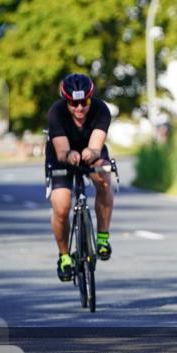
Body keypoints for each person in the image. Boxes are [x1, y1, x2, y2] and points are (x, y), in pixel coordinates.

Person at [46, 73, 114, 282]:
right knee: (62, 206)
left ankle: (102, 238)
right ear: (66, 101)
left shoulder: (101, 110)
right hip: (62, 155)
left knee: (104, 179)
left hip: (90, 150)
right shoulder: (56, 112)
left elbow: (96, 146)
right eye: (73, 103)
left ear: (90, 99)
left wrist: (91, 154)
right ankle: (64, 256)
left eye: (84, 102)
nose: (79, 108)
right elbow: (61, 152)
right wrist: (69, 155)